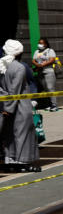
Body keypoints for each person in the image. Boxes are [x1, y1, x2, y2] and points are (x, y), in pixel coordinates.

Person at [1, 39, 39, 172]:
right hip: (20, 107)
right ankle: (22, 163)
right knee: (23, 135)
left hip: (8, 106)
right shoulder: (19, 67)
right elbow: (15, 91)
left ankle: (11, 160)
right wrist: (8, 109)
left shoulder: (4, 66)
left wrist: (6, 107)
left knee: (11, 135)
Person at [32, 37, 60, 112]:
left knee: (50, 88)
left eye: (41, 43)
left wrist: (43, 65)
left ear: (46, 44)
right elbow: (33, 60)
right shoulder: (37, 51)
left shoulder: (50, 50)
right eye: (39, 43)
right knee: (45, 88)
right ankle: (49, 104)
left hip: (48, 71)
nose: (39, 44)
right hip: (40, 72)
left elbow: (52, 60)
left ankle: (54, 105)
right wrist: (38, 65)